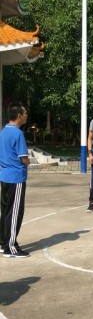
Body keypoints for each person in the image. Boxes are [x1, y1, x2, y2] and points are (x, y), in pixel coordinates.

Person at [0, 103, 31, 258]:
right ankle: (10, 247)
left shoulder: (3, 131)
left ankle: (3, 242)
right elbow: (23, 157)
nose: (26, 116)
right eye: (25, 113)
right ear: (19, 115)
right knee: (14, 213)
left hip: (4, 176)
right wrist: (28, 163)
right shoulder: (18, 134)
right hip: (16, 177)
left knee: (6, 211)